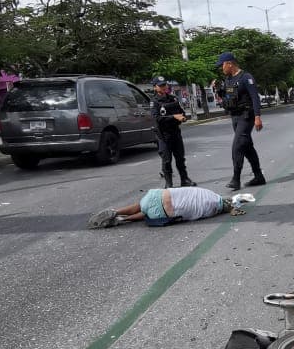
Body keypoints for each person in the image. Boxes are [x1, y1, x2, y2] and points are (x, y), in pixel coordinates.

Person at [218, 52, 265, 190]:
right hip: (235, 116)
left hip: (246, 116)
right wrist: (219, 91)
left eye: (222, 65)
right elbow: (228, 96)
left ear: (230, 63)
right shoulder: (228, 80)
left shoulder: (246, 77)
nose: (222, 68)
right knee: (247, 147)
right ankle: (259, 176)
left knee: (237, 146)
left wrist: (257, 117)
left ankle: (236, 179)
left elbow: (255, 97)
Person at [87, 186, 238, 229]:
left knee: (141, 205)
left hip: (158, 195)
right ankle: (122, 220)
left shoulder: (207, 193)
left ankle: (116, 211)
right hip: (161, 213)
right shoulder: (213, 209)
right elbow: (194, 214)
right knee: (147, 213)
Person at [150, 79, 196, 189]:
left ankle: (184, 179)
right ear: (155, 88)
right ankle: (169, 183)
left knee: (180, 158)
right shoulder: (154, 102)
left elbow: (181, 112)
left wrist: (182, 117)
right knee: (166, 160)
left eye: (164, 85)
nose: (163, 87)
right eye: (160, 86)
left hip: (175, 132)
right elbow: (157, 118)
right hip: (163, 135)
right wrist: (173, 117)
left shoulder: (173, 98)